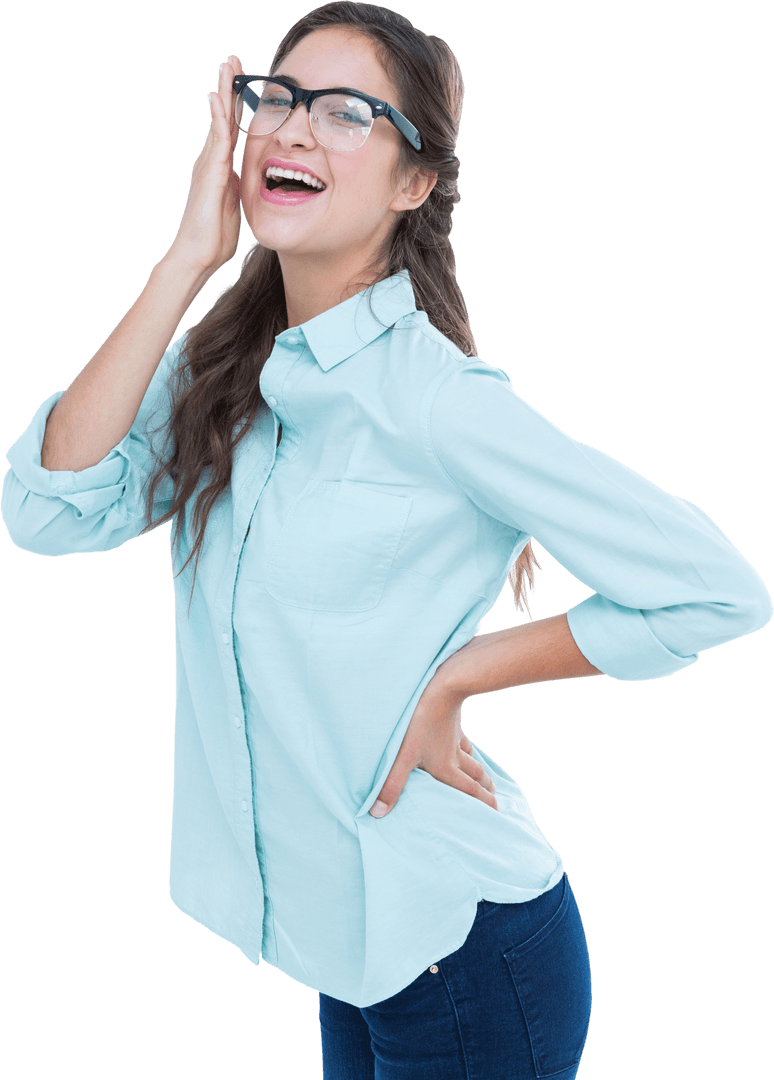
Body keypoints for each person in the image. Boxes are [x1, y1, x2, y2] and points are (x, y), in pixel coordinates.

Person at [2, 3, 771, 1078]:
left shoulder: (436, 402)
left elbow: (717, 590)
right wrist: (186, 260)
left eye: (349, 113)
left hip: (465, 954)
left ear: (416, 182)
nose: (296, 130)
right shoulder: (226, 376)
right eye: (278, 99)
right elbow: (45, 511)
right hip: (351, 947)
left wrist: (461, 674)